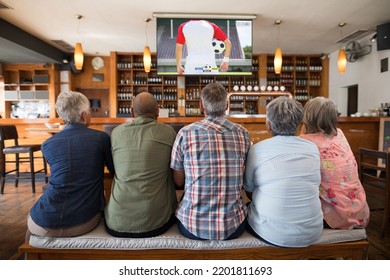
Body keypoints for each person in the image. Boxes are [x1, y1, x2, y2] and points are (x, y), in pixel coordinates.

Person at [27, 91, 115, 237]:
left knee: (30, 226)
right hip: (85, 219)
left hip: (44, 219)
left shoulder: (47, 145)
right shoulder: (101, 139)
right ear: (84, 116)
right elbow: (114, 171)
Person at [171, 82, 250, 240]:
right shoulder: (242, 134)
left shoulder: (185, 134)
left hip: (192, 225)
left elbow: (178, 181)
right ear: (226, 105)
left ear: (201, 105)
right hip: (233, 226)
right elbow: (244, 176)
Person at [244, 96, 323, 248]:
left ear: (269, 125)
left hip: (270, 232)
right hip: (312, 231)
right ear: (300, 124)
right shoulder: (312, 149)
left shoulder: (257, 149)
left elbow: (248, 188)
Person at [104, 92, 177, 238]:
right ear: (157, 112)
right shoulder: (169, 132)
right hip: (156, 220)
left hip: (117, 221)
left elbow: (114, 169)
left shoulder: (116, 133)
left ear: (132, 112)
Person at [300, 96, 370, 230]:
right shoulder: (340, 135)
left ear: (307, 118)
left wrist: (303, 132)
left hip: (334, 217)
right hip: (360, 212)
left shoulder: (305, 141)